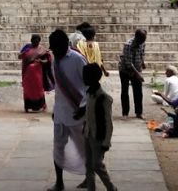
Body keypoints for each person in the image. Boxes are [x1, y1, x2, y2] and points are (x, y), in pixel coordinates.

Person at [47, 28, 87, 191]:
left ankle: (89, 177)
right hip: (60, 113)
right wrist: (56, 109)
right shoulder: (54, 61)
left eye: (57, 48)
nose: (54, 52)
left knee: (84, 148)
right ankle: (59, 182)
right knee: (58, 148)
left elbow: (89, 85)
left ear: (65, 45)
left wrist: (84, 108)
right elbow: (58, 87)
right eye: (53, 49)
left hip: (78, 113)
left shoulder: (78, 59)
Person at [74, 63, 117, 191]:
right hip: (88, 133)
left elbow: (108, 122)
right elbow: (88, 109)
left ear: (93, 78)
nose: (83, 78)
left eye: (86, 76)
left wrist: (106, 142)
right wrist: (81, 112)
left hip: (98, 136)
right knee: (88, 165)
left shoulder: (104, 98)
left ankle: (111, 187)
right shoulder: (89, 93)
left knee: (97, 165)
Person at [117, 28, 147, 119]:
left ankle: (139, 112)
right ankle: (125, 113)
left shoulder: (142, 43)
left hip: (137, 68)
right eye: (141, 40)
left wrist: (142, 62)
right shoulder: (128, 45)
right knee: (125, 91)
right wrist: (138, 74)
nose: (142, 42)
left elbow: (142, 53)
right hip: (125, 70)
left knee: (138, 91)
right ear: (136, 38)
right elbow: (129, 63)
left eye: (144, 40)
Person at [19, 34, 52, 112]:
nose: (35, 43)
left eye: (37, 41)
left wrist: (41, 61)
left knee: (39, 89)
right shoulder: (27, 47)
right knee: (28, 89)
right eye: (34, 41)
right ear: (31, 41)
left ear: (39, 41)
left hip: (38, 73)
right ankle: (27, 107)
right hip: (28, 73)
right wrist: (24, 53)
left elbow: (48, 60)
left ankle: (42, 105)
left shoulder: (42, 50)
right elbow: (19, 56)